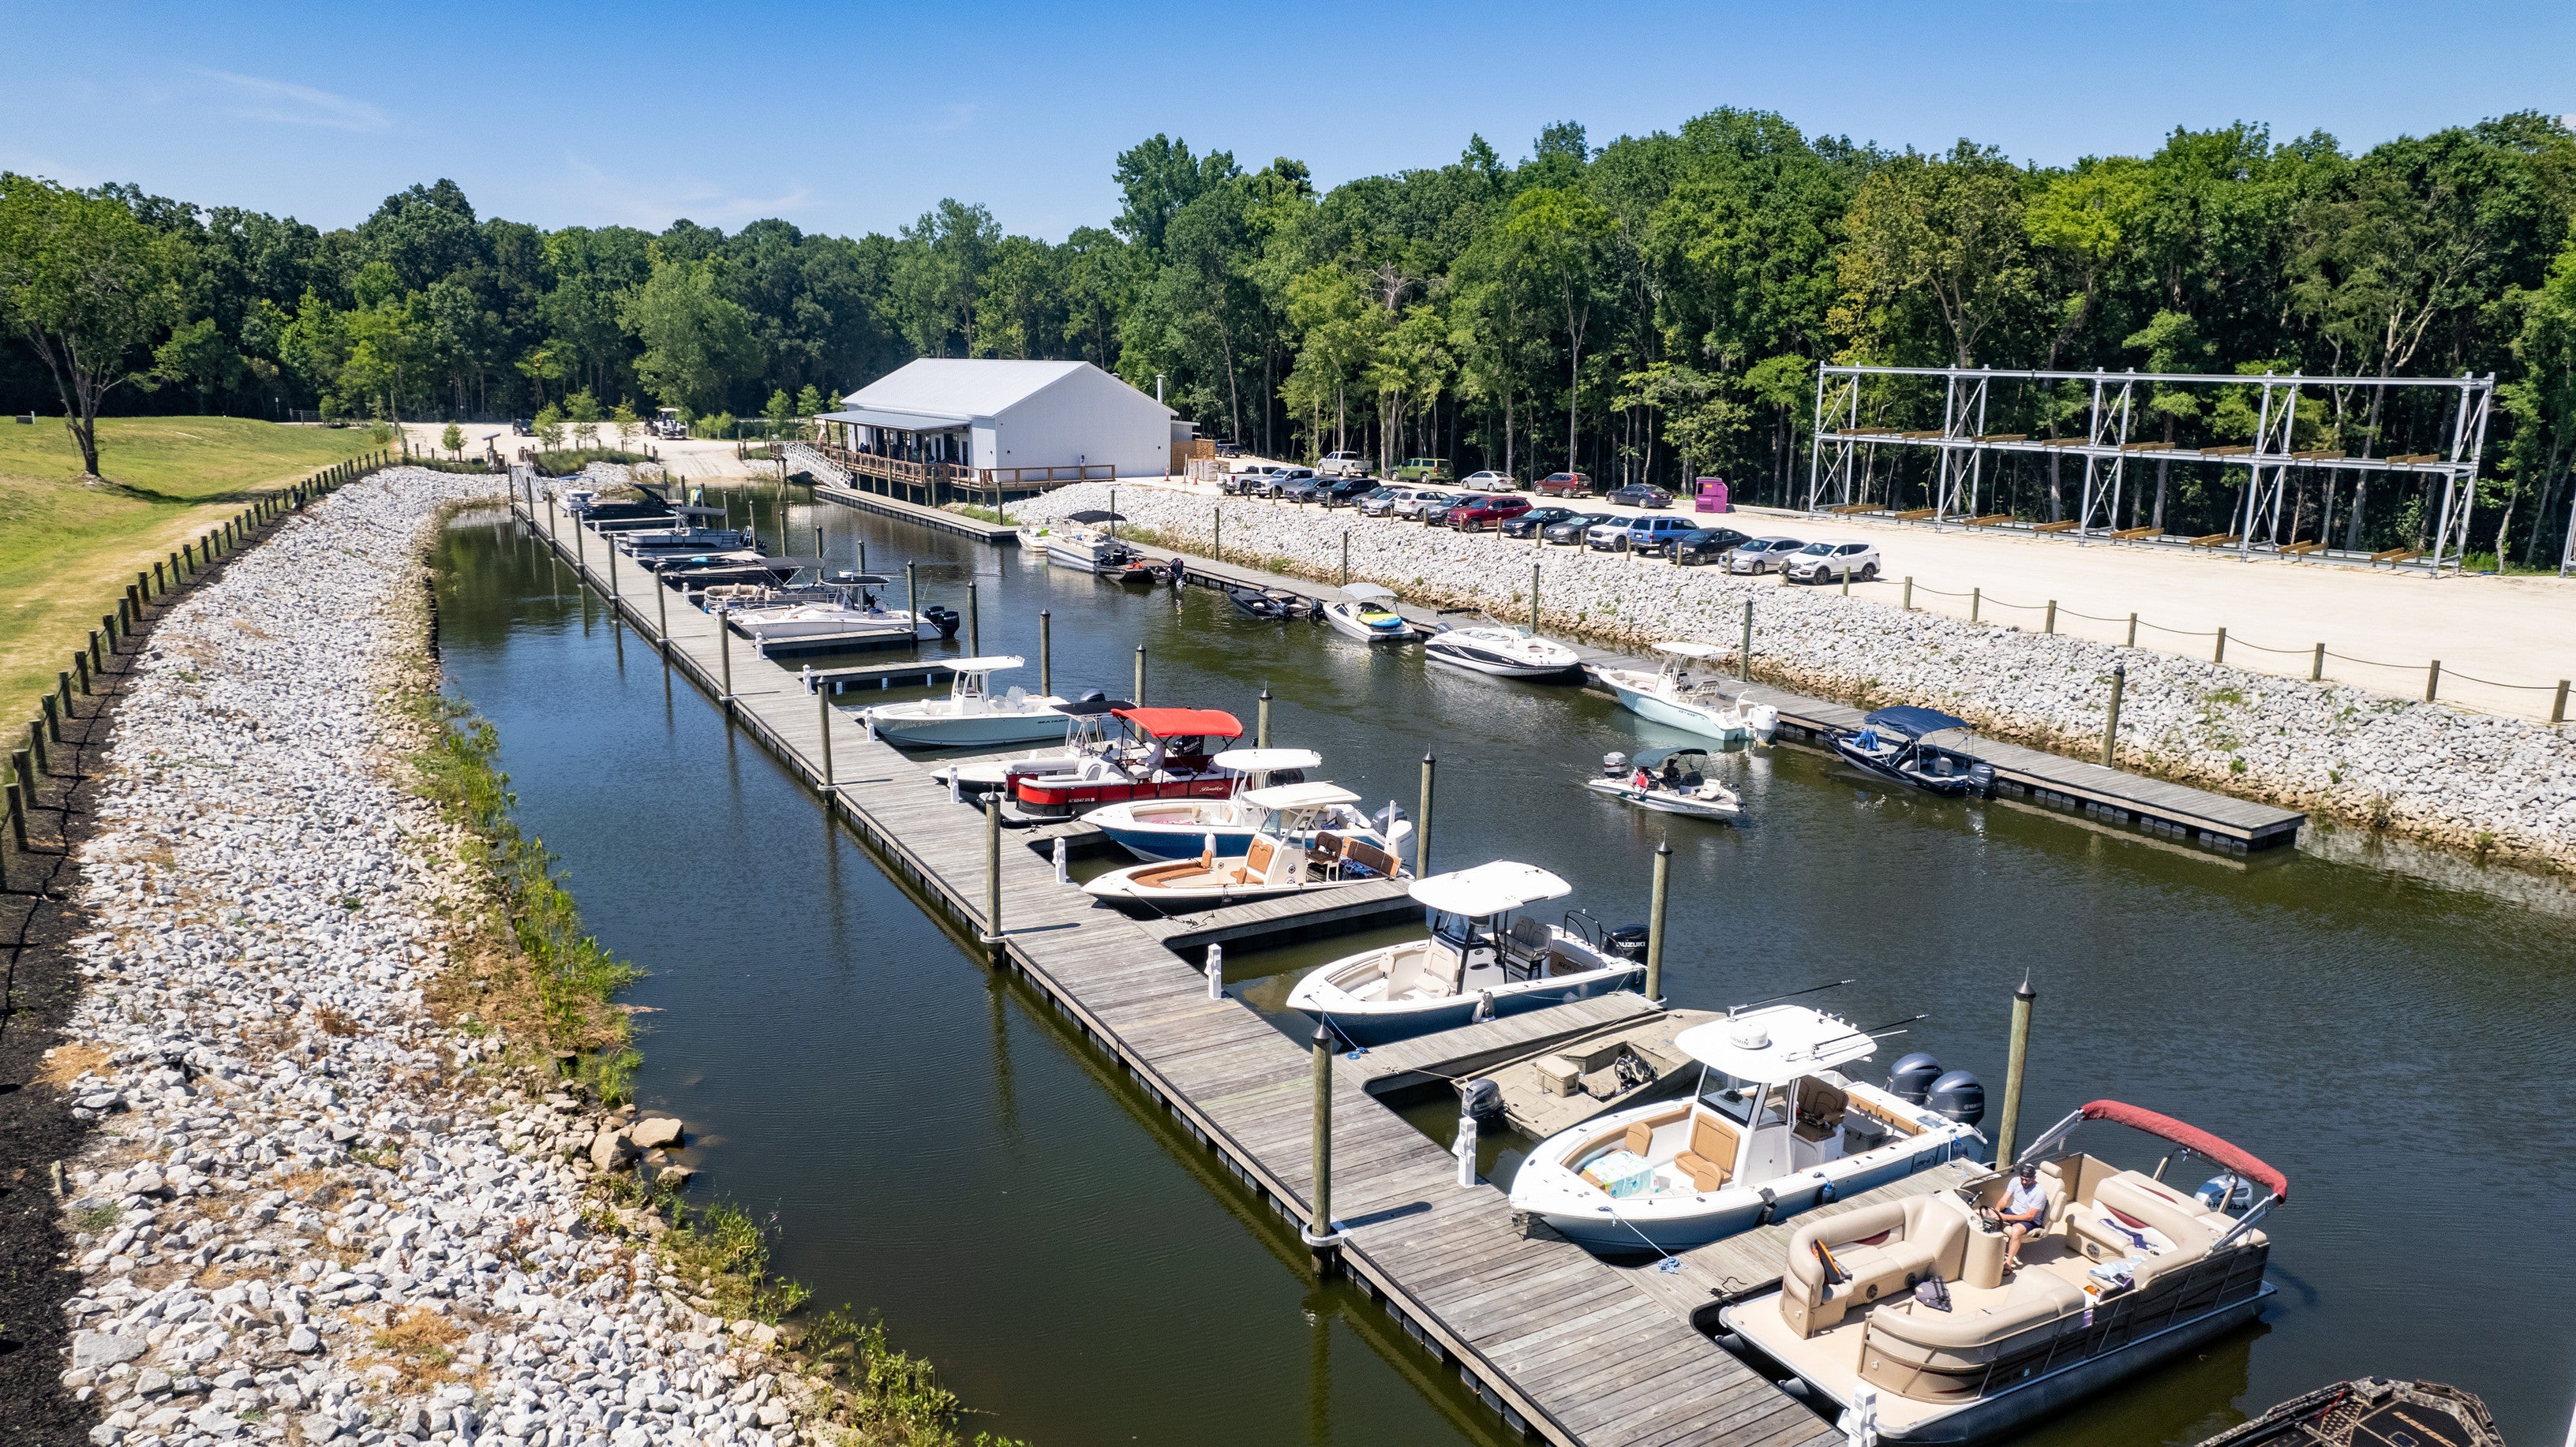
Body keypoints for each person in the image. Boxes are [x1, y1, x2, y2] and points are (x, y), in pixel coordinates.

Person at [1998, 1163, 2050, 1270]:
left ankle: (2009, 1262)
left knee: (2016, 1230)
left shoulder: (2039, 1193)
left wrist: (2005, 1217)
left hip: (2030, 1221)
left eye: (2028, 1180)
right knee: (1987, 1212)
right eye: (2023, 1179)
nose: (2024, 1182)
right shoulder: (2015, 1181)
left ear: (2034, 1178)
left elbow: (2029, 1217)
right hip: (2012, 1212)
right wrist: (1997, 1211)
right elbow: (2004, 1199)